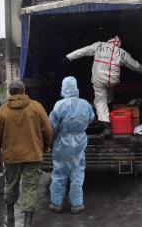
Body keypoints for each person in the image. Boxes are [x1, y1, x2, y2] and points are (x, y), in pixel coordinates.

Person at [0, 81, 52, 227]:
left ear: (10, 93)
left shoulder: (2, 110)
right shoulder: (36, 107)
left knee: (11, 184)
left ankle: (10, 216)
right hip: (33, 155)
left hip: (11, 156)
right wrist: (47, 144)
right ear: (24, 91)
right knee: (30, 187)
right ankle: (27, 221)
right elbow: (47, 129)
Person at [64, 36, 142, 137]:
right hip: (113, 80)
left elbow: (84, 51)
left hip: (99, 78)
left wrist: (69, 57)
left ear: (108, 41)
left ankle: (106, 128)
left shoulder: (99, 45)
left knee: (100, 101)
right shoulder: (122, 52)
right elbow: (134, 65)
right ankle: (108, 110)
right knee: (108, 95)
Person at [48, 77, 95, 214]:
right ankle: (77, 204)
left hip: (63, 142)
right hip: (80, 140)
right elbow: (91, 118)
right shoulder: (85, 104)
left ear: (63, 88)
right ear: (76, 88)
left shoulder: (59, 105)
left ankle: (56, 203)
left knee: (59, 172)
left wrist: (49, 140)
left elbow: (52, 125)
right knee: (77, 172)